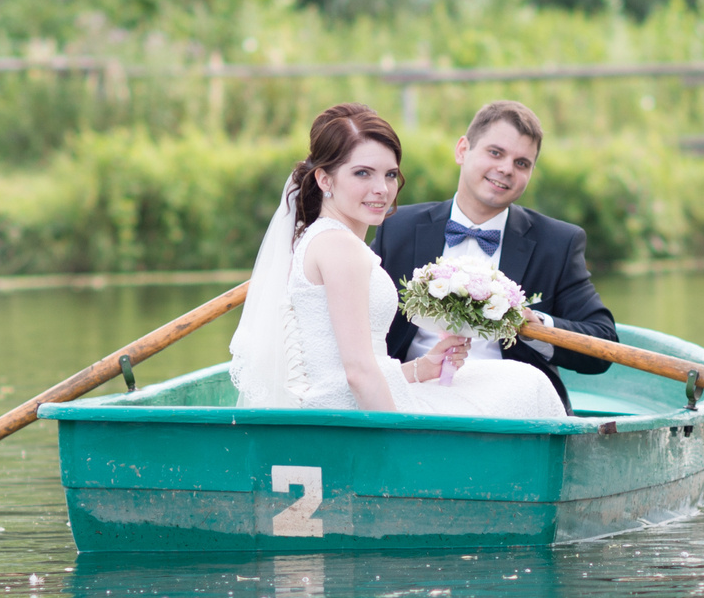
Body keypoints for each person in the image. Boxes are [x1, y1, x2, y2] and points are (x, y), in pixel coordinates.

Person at [227, 103, 561, 417]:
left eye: (389, 175)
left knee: (518, 381)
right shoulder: (341, 248)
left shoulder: (319, 237)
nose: (382, 189)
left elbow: (337, 371)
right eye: (362, 174)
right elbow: (358, 375)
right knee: (528, 387)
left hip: (349, 400)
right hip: (356, 416)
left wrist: (422, 367)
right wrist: (398, 444)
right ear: (325, 179)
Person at [374, 99, 618, 415]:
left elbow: (603, 345)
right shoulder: (397, 227)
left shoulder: (557, 243)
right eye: (495, 152)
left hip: (511, 407)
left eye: (522, 163)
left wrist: (536, 326)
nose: (506, 169)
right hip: (414, 396)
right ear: (462, 150)